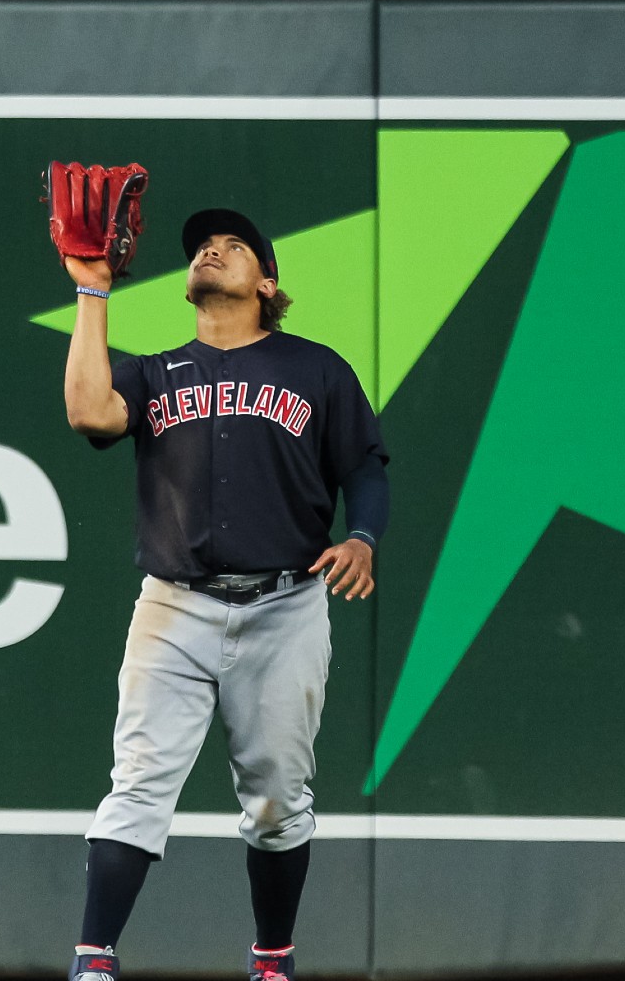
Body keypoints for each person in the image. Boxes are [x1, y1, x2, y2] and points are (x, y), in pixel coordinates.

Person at [59, 207, 390, 981]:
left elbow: (366, 468)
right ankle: (92, 959)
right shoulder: (154, 371)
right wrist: (91, 293)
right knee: (138, 783)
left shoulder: (317, 370)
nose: (211, 250)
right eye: (204, 247)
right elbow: (86, 410)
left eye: (233, 246)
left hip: (287, 603)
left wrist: (363, 538)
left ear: (266, 282)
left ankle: (272, 956)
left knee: (278, 798)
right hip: (175, 604)